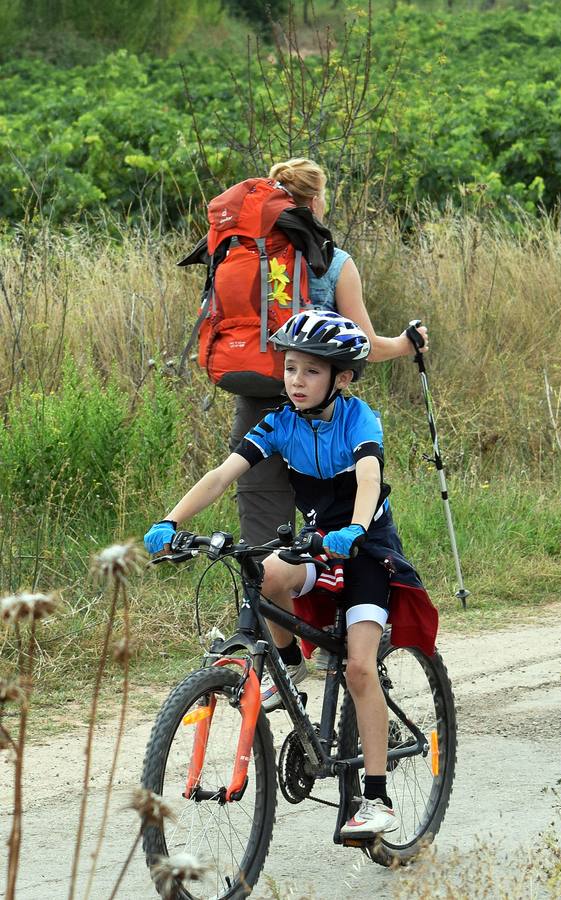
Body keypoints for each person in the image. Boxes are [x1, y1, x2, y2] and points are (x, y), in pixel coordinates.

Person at [145, 311, 426, 836]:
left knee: (360, 668)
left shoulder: (359, 418)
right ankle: (292, 664)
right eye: (290, 368)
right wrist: (171, 520)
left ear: (341, 378)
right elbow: (223, 474)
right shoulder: (279, 422)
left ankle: (378, 798)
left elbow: (369, 477)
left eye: (310, 372)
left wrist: (357, 529)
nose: (295, 381)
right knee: (267, 575)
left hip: (366, 552)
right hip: (316, 546)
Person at [230, 157, 429, 549]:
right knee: (326, 525)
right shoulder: (334, 262)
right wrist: (407, 344)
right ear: (316, 200)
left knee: (260, 537)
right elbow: (366, 347)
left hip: (256, 398)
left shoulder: (247, 255)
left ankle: (257, 609)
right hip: (324, 408)